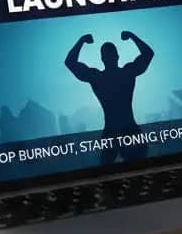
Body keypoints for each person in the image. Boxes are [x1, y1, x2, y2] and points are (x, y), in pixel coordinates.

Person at [65, 30, 154, 164]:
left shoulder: (101, 77)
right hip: (121, 130)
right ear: (117, 56)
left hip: (119, 130)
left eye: (108, 54)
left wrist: (82, 41)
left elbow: (70, 62)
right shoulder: (123, 73)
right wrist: (131, 36)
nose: (109, 57)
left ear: (103, 59)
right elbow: (147, 54)